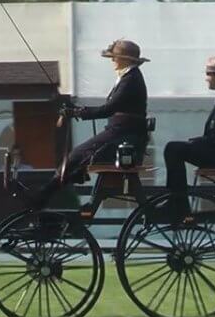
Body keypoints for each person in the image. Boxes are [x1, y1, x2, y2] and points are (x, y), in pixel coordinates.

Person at [34, 39, 149, 205]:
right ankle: (57, 189)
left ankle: (42, 197)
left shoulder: (131, 79)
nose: (112, 60)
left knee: (76, 156)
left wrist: (77, 113)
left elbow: (108, 109)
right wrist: (78, 111)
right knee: (77, 158)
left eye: (114, 57)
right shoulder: (128, 77)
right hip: (119, 132)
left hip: (122, 135)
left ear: (125, 59)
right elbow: (110, 108)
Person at [162, 56, 215, 218]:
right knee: (174, 148)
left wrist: (199, 142)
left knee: (173, 149)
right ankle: (177, 200)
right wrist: (198, 142)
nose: (206, 78)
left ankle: (178, 202)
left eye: (208, 73)